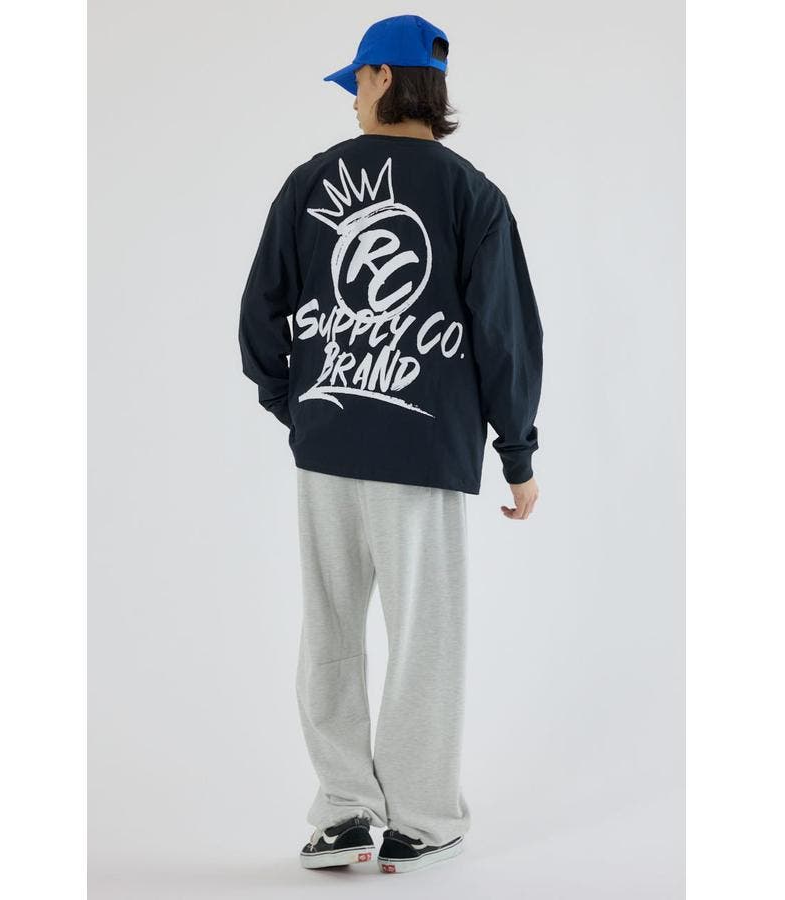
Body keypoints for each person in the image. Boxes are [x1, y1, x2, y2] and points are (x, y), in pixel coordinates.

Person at [238, 14, 543, 875]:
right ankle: (421, 817)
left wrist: (298, 408)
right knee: (424, 637)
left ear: (381, 77)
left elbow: (259, 315)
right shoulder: (474, 195)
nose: (352, 98)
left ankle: (342, 812)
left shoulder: (309, 182)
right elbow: (505, 338)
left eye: (356, 81)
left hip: (328, 446)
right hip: (425, 451)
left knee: (329, 629)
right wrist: (517, 455)